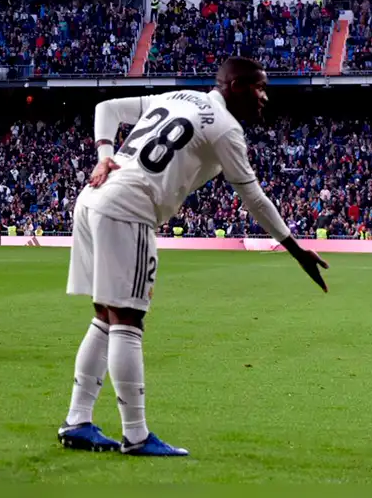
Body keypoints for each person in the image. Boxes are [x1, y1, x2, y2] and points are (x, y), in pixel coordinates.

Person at [58, 57, 329, 456]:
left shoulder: (178, 96)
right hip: (129, 207)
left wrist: (104, 154)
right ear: (237, 86)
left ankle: (78, 421)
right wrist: (296, 250)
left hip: (93, 197)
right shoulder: (226, 128)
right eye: (260, 88)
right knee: (128, 320)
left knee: (105, 316)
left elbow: (107, 108)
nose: (264, 97)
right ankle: (136, 436)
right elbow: (254, 198)